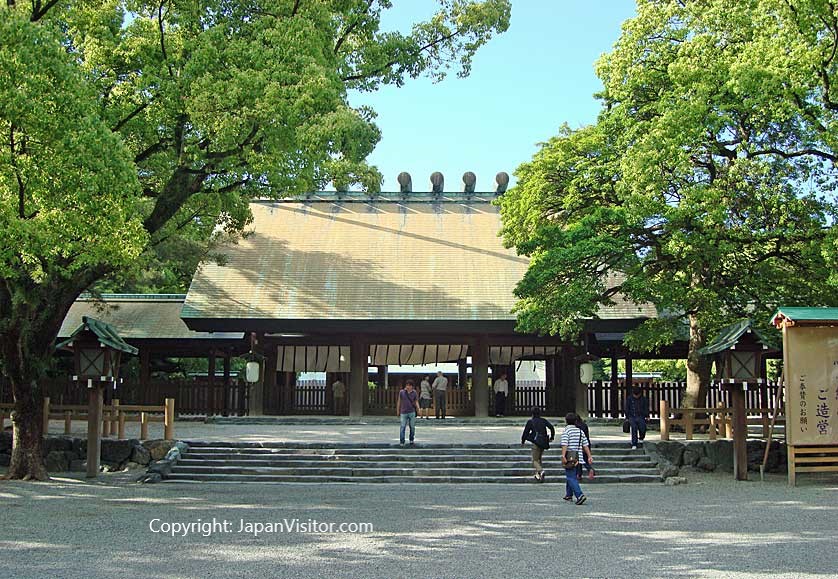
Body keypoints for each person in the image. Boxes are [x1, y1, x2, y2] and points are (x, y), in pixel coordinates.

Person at [561, 412, 593, 505]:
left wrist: (563, 455)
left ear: (566, 421)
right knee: (572, 475)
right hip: (578, 456)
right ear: (575, 421)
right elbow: (585, 444)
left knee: (570, 477)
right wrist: (589, 456)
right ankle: (569, 494)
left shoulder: (566, 431)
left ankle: (579, 495)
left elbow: (565, 444)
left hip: (569, 456)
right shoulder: (580, 431)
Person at [520, 406, 554, 482]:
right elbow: (551, 427)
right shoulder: (543, 420)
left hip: (536, 442)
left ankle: (541, 471)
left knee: (534, 460)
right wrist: (552, 437)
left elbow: (526, 432)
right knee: (539, 459)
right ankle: (538, 475)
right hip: (544, 441)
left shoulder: (530, 421)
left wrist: (523, 441)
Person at [397, 380, 420, 446]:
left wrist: (418, 409)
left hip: (411, 412)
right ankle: (402, 441)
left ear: (412, 386)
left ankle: (411, 439)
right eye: (407, 385)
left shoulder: (414, 393)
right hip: (403, 412)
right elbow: (399, 401)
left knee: (412, 427)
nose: (408, 387)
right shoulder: (402, 392)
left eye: (409, 385)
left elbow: (416, 401)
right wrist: (398, 410)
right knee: (402, 426)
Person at [574, 414, 595, 480]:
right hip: (587, 444)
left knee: (579, 460)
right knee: (584, 459)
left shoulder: (576, 427)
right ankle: (585, 471)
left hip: (579, 445)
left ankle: (580, 473)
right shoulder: (584, 425)